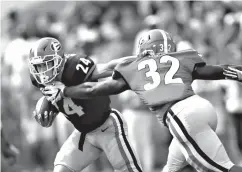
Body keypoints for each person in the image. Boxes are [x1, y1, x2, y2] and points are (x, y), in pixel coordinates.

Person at [45, 29, 242, 172]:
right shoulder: (182, 58)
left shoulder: (136, 68)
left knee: (221, 167)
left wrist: (65, 91)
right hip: (201, 108)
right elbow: (215, 70)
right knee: (173, 167)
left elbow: (95, 88)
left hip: (182, 117)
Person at [28, 37, 142, 172]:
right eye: (38, 66)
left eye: (47, 64)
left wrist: (139, 61)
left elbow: (109, 68)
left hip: (108, 126)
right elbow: (62, 102)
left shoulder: (75, 67)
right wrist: (48, 113)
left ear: (58, 60)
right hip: (84, 134)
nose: (42, 71)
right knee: (61, 169)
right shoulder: (40, 80)